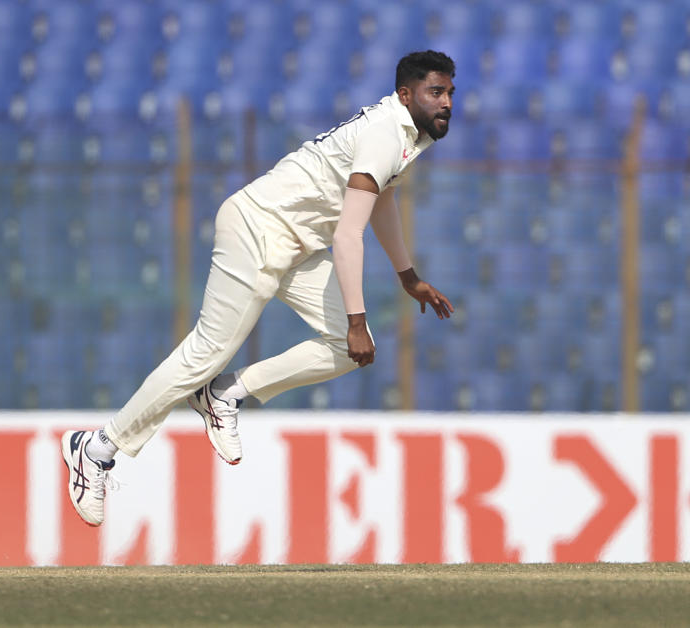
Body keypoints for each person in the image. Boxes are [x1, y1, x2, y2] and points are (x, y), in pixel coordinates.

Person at [62, 50, 457, 526]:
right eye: (436, 92)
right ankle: (97, 447)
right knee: (208, 352)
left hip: (297, 244)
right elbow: (347, 235)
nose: (447, 102)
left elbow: (383, 198)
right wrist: (356, 317)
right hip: (258, 226)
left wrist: (407, 276)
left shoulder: (410, 134)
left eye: (450, 92)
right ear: (405, 94)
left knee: (347, 347)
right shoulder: (384, 131)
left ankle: (226, 394)